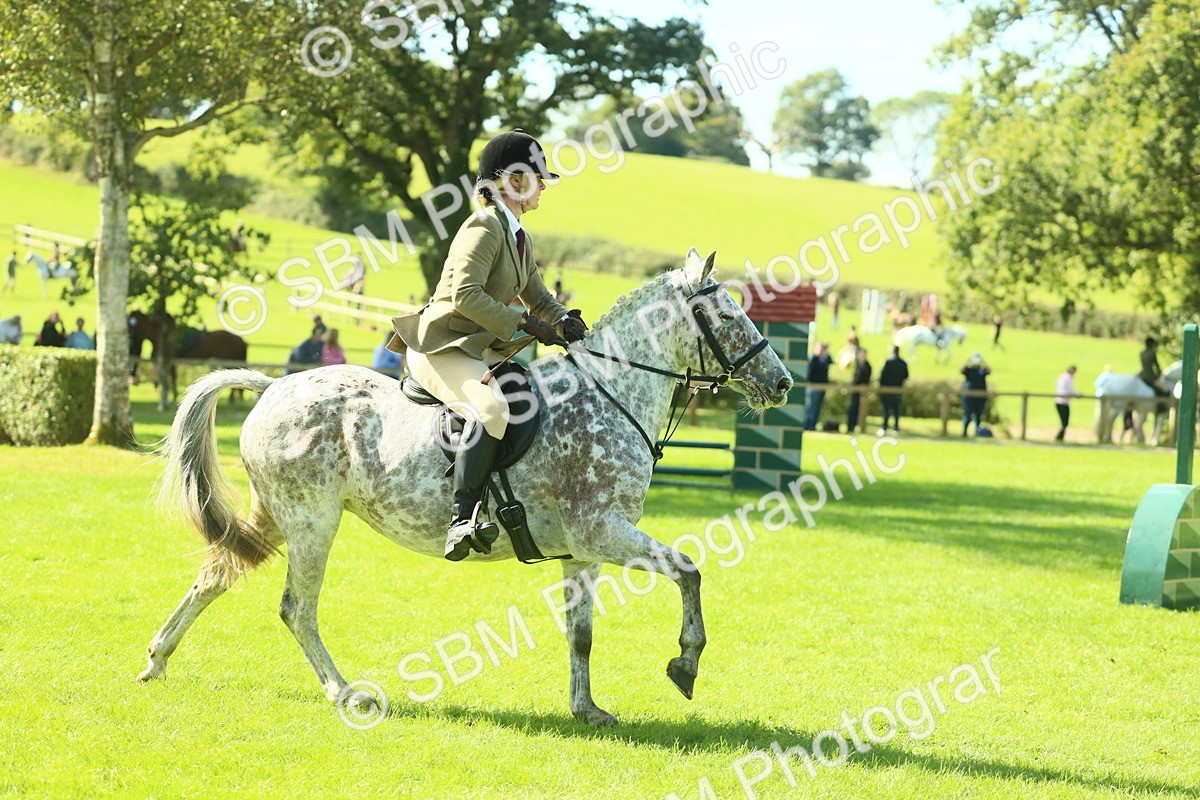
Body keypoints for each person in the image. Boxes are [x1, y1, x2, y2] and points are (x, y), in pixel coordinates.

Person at [385, 128, 587, 562]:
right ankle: (462, 519)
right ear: (515, 181)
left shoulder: (518, 235)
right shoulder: (483, 226)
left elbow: (538, 295)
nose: (545, 186)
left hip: (477, 350)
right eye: (539, 177)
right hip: (440, 346)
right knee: (490, 409)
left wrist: (566, 322)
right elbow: (465, 295)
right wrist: (526, 323)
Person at [878, 345, 910, 435]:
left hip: (887, 390)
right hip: (898, 390)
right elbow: (906, 376)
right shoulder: (903, 363)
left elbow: (883, 376)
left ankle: (884, 427)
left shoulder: (888, 362)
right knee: (896, 410)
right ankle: (896, 428)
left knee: (886, 409)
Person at [803, 342, 832, 431]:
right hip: (813, 388)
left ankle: (812, 425)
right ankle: (808, 426)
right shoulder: (814, 359)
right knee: (811, 408)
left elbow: (830, 361)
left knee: (816, 409)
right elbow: (811, 372)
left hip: (821, 388)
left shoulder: (823, 360)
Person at [961, 352, 991, 437]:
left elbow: (989, 370)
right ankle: (964, 432)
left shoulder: (982, 370)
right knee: (968, 413)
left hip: (980, 396)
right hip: (969, 396)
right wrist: (968, 360)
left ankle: (977, 431)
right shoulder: (969, 370)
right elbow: (961, 370)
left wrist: (983, 361)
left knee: (978, 414)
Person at [846, 348, 872, 434]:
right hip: (856, 391)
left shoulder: (867, 366)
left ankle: (860, 427)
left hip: (863, 392)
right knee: (853, 409)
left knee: (861, 410)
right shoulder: (858, 365)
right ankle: (850, 426)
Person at [1054, 365, 1080, 442]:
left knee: (1064, 421)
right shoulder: (1068, 378)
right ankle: (1059, 436)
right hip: (1063, 401)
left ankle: (1060, 436)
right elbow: (1069, 390)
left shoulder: (1062, 376)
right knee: (1065, 421)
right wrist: (1077, 395)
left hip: (1059, 400)